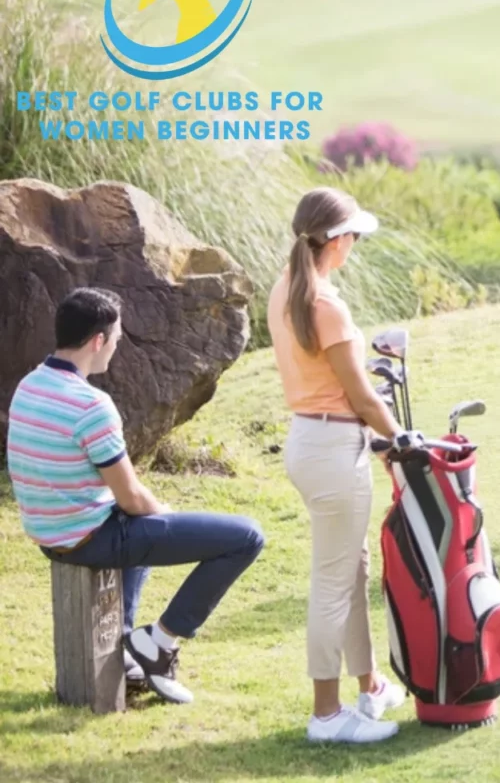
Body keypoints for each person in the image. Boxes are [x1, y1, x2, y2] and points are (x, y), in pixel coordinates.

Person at [5, 287, 265, 705]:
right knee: (246, 536)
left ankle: (127, 648)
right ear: (98, 341)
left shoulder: (30, 386)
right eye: (117, 339)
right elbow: (131, 499)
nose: (116, 348)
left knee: (143, 530)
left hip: (49, 533)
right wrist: (164, 515)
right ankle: (159, 643)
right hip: (86, 538)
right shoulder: (91, 405)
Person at [268, 187, 418, 743]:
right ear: (335, 241)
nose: (355, 243)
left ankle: (371, 685)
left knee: (349, 571)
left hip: (314, 443)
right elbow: (359, 394)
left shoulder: (286, 288)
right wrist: (401, 436)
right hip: (333, 450)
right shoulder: (325, 303)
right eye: (353, 235)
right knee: (333, 583)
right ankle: (326, 717)